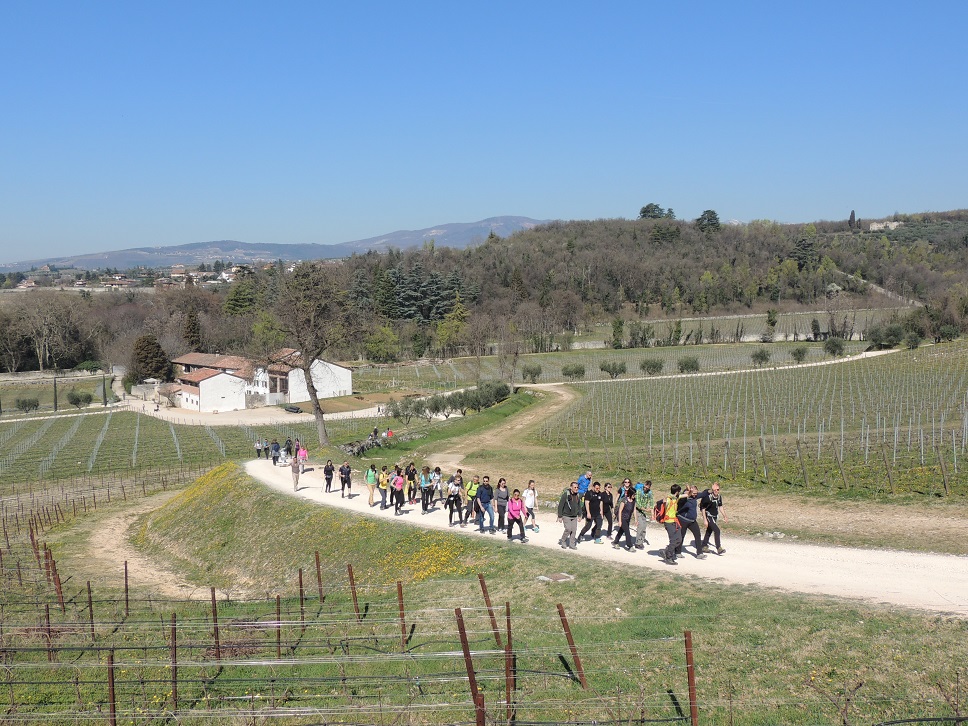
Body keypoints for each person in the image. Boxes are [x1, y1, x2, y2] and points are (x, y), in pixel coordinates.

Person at [677, 486, 707, 559]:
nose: (695, 495)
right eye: (693, 493)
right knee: (681, 536)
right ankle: (677, 552)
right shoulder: (683, 498)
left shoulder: (695, 496)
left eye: (696, 493)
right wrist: (687, 494)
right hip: (683, 520)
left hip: (692, 521)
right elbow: (680, 501)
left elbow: (704, 493)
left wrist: (711, 490)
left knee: (697, 535)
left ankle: (699, 553)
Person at [699, 482, 727, 554]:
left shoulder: (719, 497)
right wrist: (705, 519)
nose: (716, 491)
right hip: (708, 515)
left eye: (718, 489)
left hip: (714, 516)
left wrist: (725, 516)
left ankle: (704, 545)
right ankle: (719, 548)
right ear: (712, 490)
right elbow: (703, 508)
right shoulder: (708, 497)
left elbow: (720, 506)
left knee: (709, 531)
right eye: (714, 490)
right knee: (717, 530)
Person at [658, 484, 682, 566]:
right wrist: (664, 503)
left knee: (679, 539)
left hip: (675, 522)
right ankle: (669, 557)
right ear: (677, 492)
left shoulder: (676, 498)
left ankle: (666, 551)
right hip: (668, 522)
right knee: (673, 540)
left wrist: (690, 490)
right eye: (679, 491)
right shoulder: (669, 499)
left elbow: (686, 495)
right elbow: (664, 504)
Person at [557, 482, 582, 550]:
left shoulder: (578, 495)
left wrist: (579, 515)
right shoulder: (565, 495)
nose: (576, 489)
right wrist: (560, 516)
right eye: (575, 487)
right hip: (566, 515)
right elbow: (560, 506)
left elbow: (579, 506)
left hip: (574, 516)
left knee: (574, 530)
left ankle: (572, 544)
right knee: (568, 529)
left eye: (577, 487)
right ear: (571, 487)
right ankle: (563, 540)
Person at [612, 486, 638, 551]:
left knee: (621, 530)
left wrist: (636, 519)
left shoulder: (634, 500)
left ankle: (615, 542)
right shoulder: (624, 500)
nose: (634, 496)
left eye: (635, 494)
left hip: (628, 518)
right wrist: (620, 521)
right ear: (630, 493)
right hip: (622, 517)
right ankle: (630, 546)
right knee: (627, 532)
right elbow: (620, 511)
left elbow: (634, 510)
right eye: (634, 494)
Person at [634, 480, 655, 549]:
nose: (645, 488)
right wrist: (645, 509)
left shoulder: (650, 493)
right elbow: (637, 504)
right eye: (645, 487)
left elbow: (651, 504)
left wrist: (652, 515)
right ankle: (637, 543)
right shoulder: (639, 491)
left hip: (643, 512)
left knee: (644, 527)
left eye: (647, 488)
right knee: (640, 526)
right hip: (637, 510)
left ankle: (641, 541)